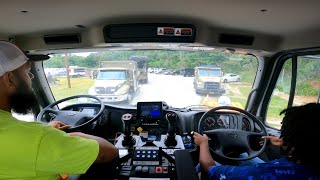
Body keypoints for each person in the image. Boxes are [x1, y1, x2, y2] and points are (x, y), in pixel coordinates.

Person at [0, 41, 118, 179]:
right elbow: (109, 152)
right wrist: (72, 136)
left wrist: (48, 132)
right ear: (9, 79)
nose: (31, 78)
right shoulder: (39, 139)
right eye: (27, 72)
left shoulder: (34, 137)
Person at [193, 103, 320, 179]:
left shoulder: (265, 174)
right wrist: (285, 143)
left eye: (285, 135)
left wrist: (203, 144)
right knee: (243, 155)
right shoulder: (310, 156)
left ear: (295, 143)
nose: (281, 138)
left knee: (203, 165)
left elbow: (208, 169)